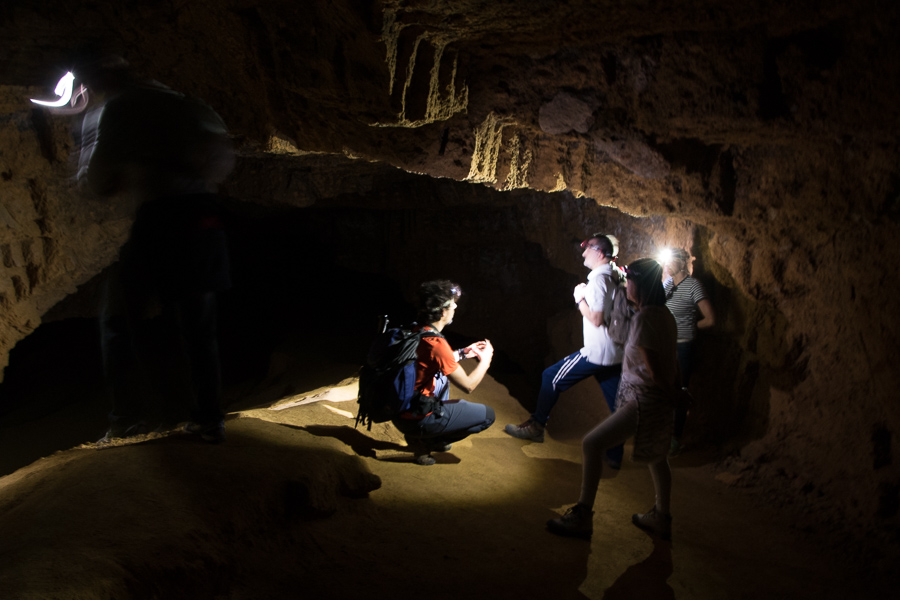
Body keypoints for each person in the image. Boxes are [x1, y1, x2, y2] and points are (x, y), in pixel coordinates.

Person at [75, 56, 234, 443]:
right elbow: (223, 161)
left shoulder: (118, 108)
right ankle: (208, 418)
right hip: (204, 216)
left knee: (118, 318)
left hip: (161, 218)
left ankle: (127, 419)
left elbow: (96, 182)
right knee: (198, 326)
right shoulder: (186, 102)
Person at [547, 257, 679, 541]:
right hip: (657, 400)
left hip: (642, 399)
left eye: (629, 280)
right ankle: (662, 517)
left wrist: (674, 395)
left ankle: (583, 514)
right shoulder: (665, 315)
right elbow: (672, 362)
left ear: (638, 284)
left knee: (592, 443)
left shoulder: (645, 319)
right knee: (658, 458)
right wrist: (677, 393)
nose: (626, 285)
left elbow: (654, 370)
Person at [505, 234, 625, 468]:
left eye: (587, 249)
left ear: (600, 253)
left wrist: (579, 298)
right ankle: (615, 457)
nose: (583, 254)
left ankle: (537, 427)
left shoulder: (600, 279)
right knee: (617, 407)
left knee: (550, 376)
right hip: (615, 353)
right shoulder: (616, 274)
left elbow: (597, 319)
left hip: (597, 353)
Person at [391, 280, 496, 465]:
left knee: (442, 378)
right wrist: (486, 359)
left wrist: (463, 353)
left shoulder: (416, 330)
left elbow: (431, 360)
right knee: (487, 416)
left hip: (399, 412)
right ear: (442, 312)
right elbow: (468, 385)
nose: (455, 306)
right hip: (417, 419)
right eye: (452, 304)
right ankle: (425, 441)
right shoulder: (438, 344)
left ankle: (422, 436)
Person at [662, 248, 715, 455]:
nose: (667, 264)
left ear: (682, 262)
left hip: (684, 346)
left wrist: (690, 327)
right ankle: (663, 434)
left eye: (671, 260)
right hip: (666, 345)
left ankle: (675, 438)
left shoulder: (694, 286)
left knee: (680, 391)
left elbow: (710, 319)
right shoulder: (667, 285)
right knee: (663, 388)